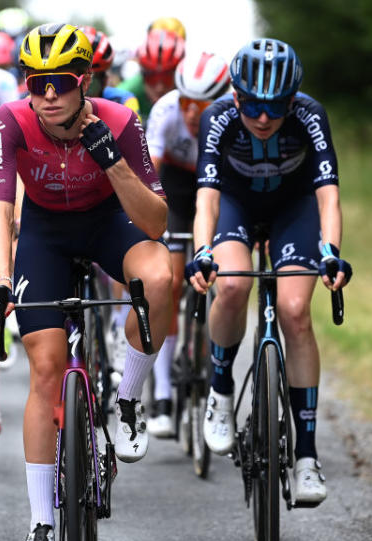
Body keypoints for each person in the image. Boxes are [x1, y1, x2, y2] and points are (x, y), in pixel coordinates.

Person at [0, 23, 172, 541]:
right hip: (45, 235)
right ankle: (41, 524)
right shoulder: (10, 121)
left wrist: (109, 157)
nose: (48, 96)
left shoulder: (118, 119)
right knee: (45, 368)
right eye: (35, 83)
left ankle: (130, 397)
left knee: (158, 278)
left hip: (110, 223)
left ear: (84, 80)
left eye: (60, 82)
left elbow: (155, 222)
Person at [187, 38, 352, 504]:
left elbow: (328, 198)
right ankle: (219, 391)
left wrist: (331, 251)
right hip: (236, 205)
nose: (263, 118)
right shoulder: (216, 117)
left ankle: (306, 457)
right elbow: (208, 199)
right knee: (234, 284)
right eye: (254, 106)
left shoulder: (310, 115)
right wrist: (202, 252)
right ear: (236, 96)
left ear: (293, 100)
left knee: (294, 310)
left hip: (291, 208)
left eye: (276, 107)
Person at [145, 51, 230, 437]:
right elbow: (150, 178)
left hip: (220, 194)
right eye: (186, 102)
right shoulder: (165, 111)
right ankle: (163, 394)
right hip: (177, 194)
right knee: (173, 283)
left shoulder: (233, 116)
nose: (192, 112)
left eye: (202, 104)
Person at [117, 26, 185, 123]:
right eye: (152, 77)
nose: (159, 87)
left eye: (167, 77)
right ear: (142, 74)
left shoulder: (189, 96)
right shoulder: (123, 94)